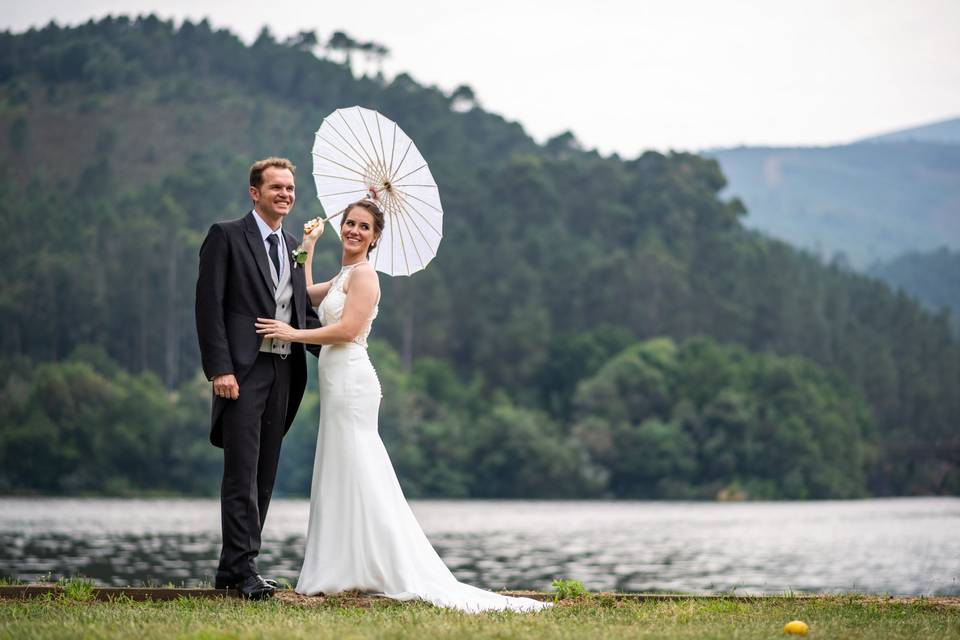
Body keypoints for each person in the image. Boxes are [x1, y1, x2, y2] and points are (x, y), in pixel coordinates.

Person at [255, 199, 550, 613]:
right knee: (340, 467)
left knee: (361, 465)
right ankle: (343, 567)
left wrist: (290, 333)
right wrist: (307, 246)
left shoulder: (366, 277)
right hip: (336, 383)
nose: (355, 230)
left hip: (353, 381)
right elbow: (305, 294)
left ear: (375, 238)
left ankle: (384, 565)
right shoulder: (343, 274)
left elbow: (346, 329)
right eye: (350, 223)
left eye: (364, 227)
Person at [195, 157, 321, 600]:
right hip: (243, 372)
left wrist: (342, 344)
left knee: (265, 472)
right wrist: (220, 368)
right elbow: (209, 307)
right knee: (241, 472)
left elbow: (301, 310)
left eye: (290, 188)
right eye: (276, 188)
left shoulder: (293, 246)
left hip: (284, 370)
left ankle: (235, 569)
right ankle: (243, 568)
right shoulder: (226, 236)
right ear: (255, 192)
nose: (285, 194)